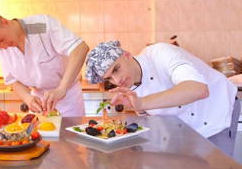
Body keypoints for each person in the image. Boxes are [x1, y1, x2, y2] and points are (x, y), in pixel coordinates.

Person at [85, 40, 240, 156]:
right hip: (187, 130)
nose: (117, 80)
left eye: (116, 69)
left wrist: (142, 103)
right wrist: (137, 108)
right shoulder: (128, 84)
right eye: (109, 79)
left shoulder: (160, 53)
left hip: (217, 113)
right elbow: (154, 115)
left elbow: (198, 89)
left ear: (127, 55)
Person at [0, 12, 89, 116]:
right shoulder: (3, 48)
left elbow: (80, 48)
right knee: (39, 140)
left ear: (5, 22)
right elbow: (13, 81)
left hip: (68, 97)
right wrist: (28, 99)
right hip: (39, 103)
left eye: (2, 40)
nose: (4, 47)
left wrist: (61, 89)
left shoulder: (42, 25)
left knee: (70, 139)